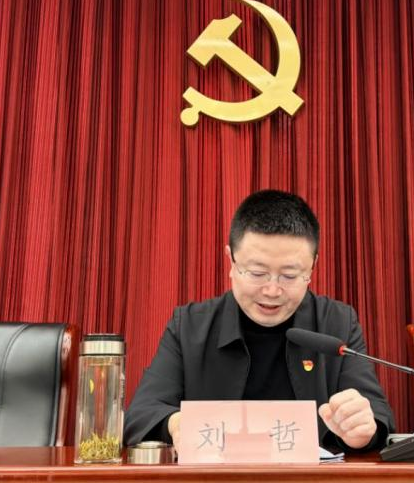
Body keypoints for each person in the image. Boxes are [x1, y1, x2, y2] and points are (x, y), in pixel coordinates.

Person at [124, 190, 394, 453]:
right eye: (257, 273)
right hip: (215, 481)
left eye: (289, 276)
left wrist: (361, 430)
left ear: (312, 267)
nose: (272, 290)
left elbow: (378, 416)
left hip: (310, 482)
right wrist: (177, 424)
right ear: (231, 261)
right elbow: (141, 414)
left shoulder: (337, 323)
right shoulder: (189, 326)